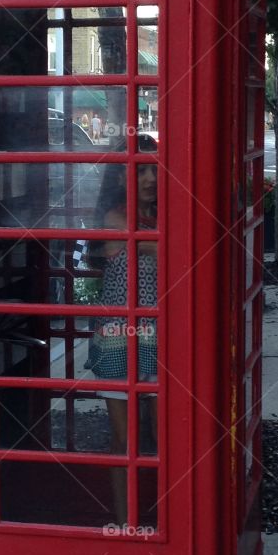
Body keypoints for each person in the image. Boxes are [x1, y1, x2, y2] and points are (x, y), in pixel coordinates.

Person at [85, 136, 158, 526]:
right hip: (119, 340)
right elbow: (165, 248)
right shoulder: (116, 219)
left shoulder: (162, 216)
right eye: (140, 171)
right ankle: (126, 522)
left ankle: (169, 522)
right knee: (126, 440)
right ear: (121, 178)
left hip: (163, 335)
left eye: (154, 171)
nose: (149, 179)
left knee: (166, 440)